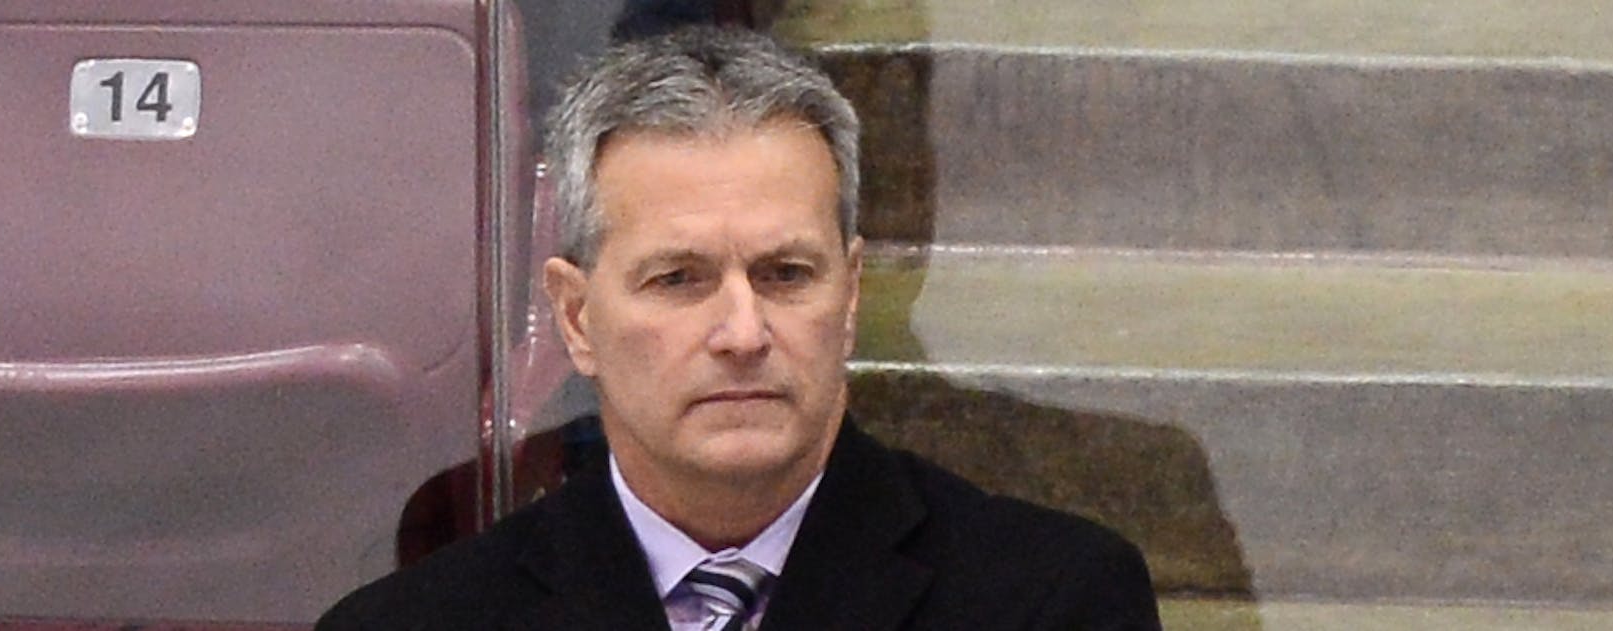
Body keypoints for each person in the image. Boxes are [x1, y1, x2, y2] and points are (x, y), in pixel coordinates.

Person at [317, 27, 1161, 631]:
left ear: (853, 294)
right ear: (577, 317)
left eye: (785, 274)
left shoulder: (1054, 600)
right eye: (679, 279)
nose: (743, 331)